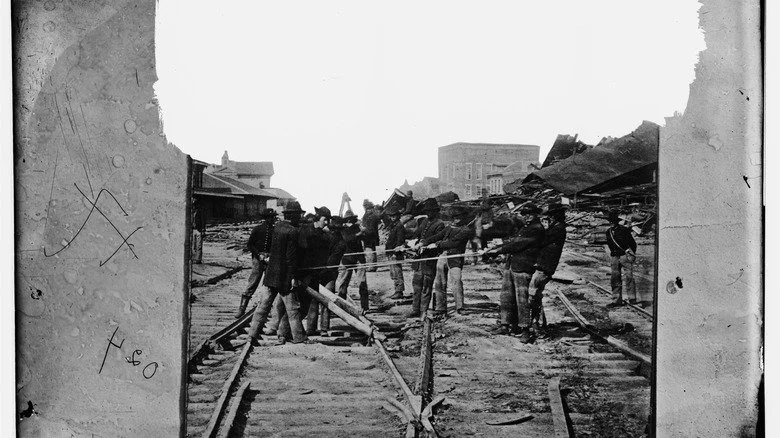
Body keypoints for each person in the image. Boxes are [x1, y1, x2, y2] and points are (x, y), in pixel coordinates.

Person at [247, 201, 310, 344]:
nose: (299, 218)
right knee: (293, 309)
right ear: (293, 216)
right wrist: (293, 277)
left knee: (263, 306)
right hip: (284, 277)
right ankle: (299, 337)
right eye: (298, 215)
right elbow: (290, 257)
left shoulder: (277, 228)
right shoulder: (293, 231)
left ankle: (252, 335)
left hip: (270, 275)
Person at [492, 204, 545, 343]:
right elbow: (513, 242)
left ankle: (525, 330)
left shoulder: (537, 229)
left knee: (523, 301)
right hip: (512, 266)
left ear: (536, 215)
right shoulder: (525, 228)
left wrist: (498, 250)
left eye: (530, 214)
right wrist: (495, 248)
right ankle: (505, 324)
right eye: (525, 214)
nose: (527, 217)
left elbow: (518, 244)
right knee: (506, 297)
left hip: (523, 268)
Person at [276, 206, 332, 339]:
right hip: (302, 274)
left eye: (328, 220)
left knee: (305, 306)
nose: (327, 223)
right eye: (325, 219)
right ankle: (283, 332)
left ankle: (285, 332)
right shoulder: (304, 231)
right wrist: (296, 274)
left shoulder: (323, 235)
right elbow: (297, 252)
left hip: (313, 274)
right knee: (298, 305)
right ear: (318, 219)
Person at [529, 202, 568, 331]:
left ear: (556, 215)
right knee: (536, 295)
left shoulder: (557, 229)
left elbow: (541, 240)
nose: (549, 217)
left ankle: (538, 325)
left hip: (545, 266)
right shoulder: (557, 227)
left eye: (551, 215)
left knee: (534, 295)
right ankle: (539, 324)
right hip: (545, 265)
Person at [432, 206, 475, 317]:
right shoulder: (449, 228)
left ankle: (460, 307)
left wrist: (438, 244)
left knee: (456, 281)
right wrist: (424, 242)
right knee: (440, 282)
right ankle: (440, 308)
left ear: (463, 217)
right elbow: (437, 236)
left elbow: (453, 243)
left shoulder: (466, 230)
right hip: (443, 256)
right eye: (454, 217)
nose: (456, 219)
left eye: (459, 217)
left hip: (455, 258)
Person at [235, 208, 278, 317]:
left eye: (273, 217)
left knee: (269, 284)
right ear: (266, 218)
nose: (272, 219)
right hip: (257, 258)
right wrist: (259, 254)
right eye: (270, 217)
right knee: (253, 282)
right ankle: (242, 308)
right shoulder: (257, 229)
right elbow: (250, 245)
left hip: (270, 259)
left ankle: (266, 308)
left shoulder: (275, 231)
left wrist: (270, 256)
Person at [407, 198, 446, 318]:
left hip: (429, 259)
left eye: (431, 211)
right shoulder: (424, 222)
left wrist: (425, 244)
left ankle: (423, 310)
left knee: (426, 286)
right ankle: (415, 309)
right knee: (416, 285)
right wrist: (411, 242)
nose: (429, 213)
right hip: (419, 260)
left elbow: (438, 240)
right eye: (427, 211)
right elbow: (417, 234)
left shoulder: (439, 224)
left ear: (435, 211)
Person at [336, 210, 371, 312]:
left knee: (362, 284)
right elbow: (347, 239)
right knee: (343, 284)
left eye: (352, 219)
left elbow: (367, 239)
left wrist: (364, 233)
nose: (351, 221)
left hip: (359, 259)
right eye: (349, 220)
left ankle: (365, 307)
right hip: (347, 259)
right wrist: (359, 233)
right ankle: (341, 306)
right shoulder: (343, 230)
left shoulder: (357, 228)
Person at [319, 216, 347, 332]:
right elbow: (333, 261)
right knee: (327, 300)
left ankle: (312, 328)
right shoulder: (341, 243)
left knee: (314, 301)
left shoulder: (323, 238)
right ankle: (324, 329)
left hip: (321, 272)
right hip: (329, 273)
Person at [605, 210, 638, 307]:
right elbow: (609, 245)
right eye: (610, 221)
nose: (611, 223)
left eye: (613, 221)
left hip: (624, 256)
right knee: (615, 278)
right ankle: (616, 300)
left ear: (616, 221)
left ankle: (632, 299)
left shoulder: (623, 230)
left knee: (629, 277)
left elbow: (632, 243)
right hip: (614, 257)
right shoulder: (608, 232)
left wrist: (631, 254)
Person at [384, 205, 408, 299]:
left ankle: (399, 291)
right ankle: (396, 290)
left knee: (397, 272)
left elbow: (400, 240)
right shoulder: (393, 225)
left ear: (398, 216)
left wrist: (395, 252)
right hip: (391, 252)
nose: (392, 217)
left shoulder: (399, 226)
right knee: (393, 272)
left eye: (394, 215)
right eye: (391, 216)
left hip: (395, 252)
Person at [361, 200, 381, 272]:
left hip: (369, 236)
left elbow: (371, 228)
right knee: (371, 250)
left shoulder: (371, 216)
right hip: (371, 236)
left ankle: (371, 267)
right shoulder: (370, 215)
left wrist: (363, 229)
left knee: (369, 251)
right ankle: (373, 266)